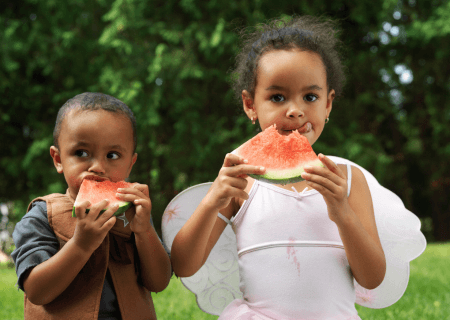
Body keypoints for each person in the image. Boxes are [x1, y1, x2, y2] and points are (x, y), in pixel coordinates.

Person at [170, 15, 386, 319]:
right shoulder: (241, 182)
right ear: (250, 105)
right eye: (277, 97)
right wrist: (212, 200)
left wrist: (342, 212)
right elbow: (184, 265)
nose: (295, 110)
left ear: (328, 104)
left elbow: (372, 278)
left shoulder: (349, 180)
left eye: (310, 96)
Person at [12, 92, 172, 320]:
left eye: (113, 155)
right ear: (58, 159)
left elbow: (158, 281)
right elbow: (36, 291)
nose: (97, 167)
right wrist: (80, 245)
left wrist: (145, 230)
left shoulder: (134, 215)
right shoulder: (41, 216)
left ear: (130, 164)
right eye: (81, 153)